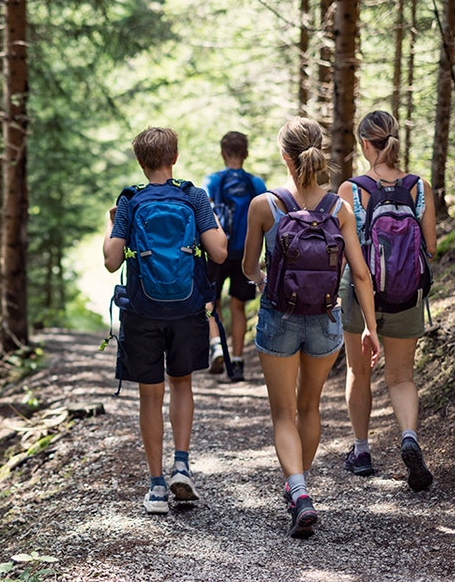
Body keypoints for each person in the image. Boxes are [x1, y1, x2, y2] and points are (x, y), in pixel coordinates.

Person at [241, 117, 379, 538]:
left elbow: (248, 267)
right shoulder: (340, 209)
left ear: (285, 155)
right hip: (326, 319)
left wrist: (262, 279)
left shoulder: (264, 205)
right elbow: (360, 274)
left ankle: (298, 491)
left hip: (279, 316)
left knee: (282, 411)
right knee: (310, 407)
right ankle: (299, 485)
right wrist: (370, 328)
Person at [104, 126, 228, 515]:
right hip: (187, 307)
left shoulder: (129, 201)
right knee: (182, 385)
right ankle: (183, 466)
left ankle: (157, 487)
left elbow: (110, 261)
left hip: (142, 310)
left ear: (141, 163)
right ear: (174, 158)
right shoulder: (194, 197)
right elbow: (220, 254)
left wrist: (113, 224)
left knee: (150, 395)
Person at [337, 110, 438, 491]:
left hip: (361, 296)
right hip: (407, 295)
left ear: (365, 144)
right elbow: (429, 246)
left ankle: (361, 451)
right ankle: (409, 436)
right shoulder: (419, 186)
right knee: (401, 377)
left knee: (358, 372)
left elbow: (345, 251)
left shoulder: (352, 189)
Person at [204, 131, 267, 382]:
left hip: (217, 251)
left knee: (211, 302)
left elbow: (204, 215)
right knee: (238, 305)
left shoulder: (212, 181)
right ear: (246, 153)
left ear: (222, 152)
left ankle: (217, 345)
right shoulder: (256, 185)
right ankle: (238, 362)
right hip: (245, 253)